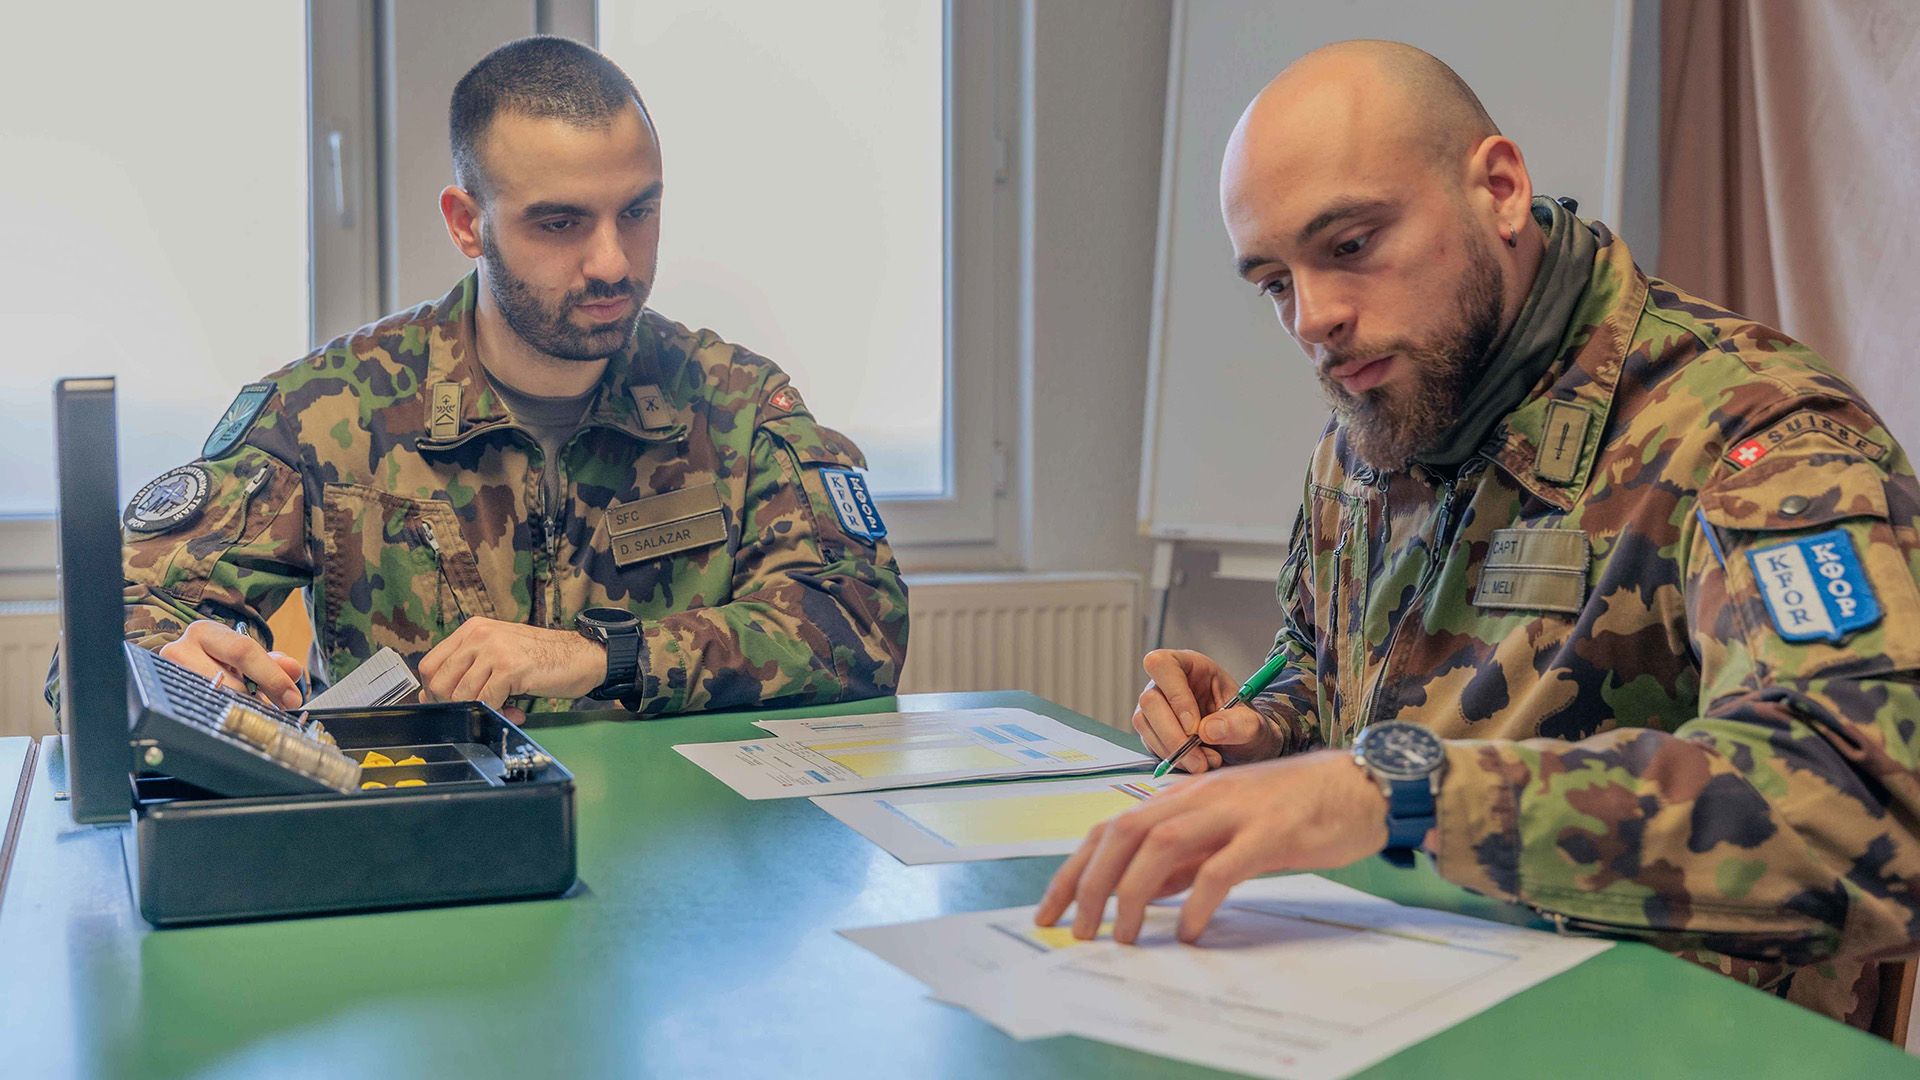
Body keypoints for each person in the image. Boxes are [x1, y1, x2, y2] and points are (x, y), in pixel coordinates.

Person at [1038, 40, 1920, 1030]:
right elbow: (1325, 655)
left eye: (1351, 245)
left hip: (1675, 1039)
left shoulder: (1751, 433)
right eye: (1274, 282)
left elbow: (1865, 805)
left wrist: (1389, 796)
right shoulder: (1373, 426)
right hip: (1393, 1003)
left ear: (1499, 189)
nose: (1313, 319)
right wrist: (1268, 729)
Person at [58, 36, 909, 718]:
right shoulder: (329, 411)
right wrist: (165, 665)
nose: (612, 262)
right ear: (468, 224)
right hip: (431, 852)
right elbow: (104, 640)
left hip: (686, 848)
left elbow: (860, 619)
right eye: (561, 222)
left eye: (638, 212)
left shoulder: (734, 404)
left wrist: (603, 657)